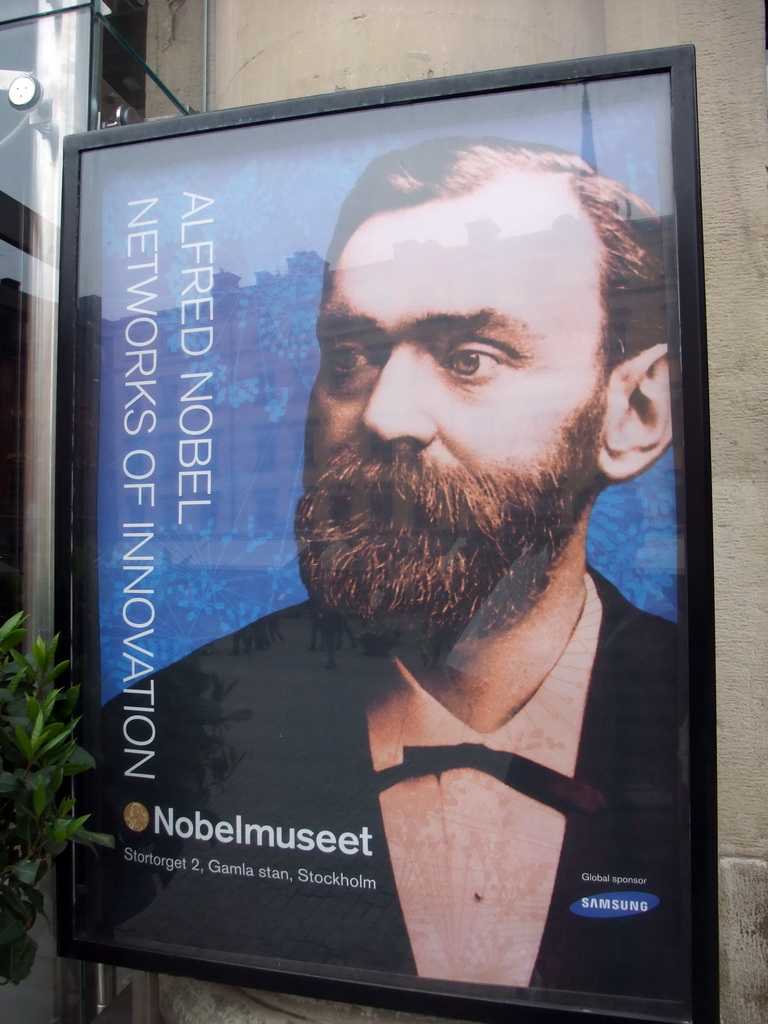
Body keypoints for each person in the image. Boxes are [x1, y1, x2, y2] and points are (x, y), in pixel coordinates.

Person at [100, 138, 685, 1007]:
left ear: (631, 411)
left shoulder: (693, 716)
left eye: (470, 357)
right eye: (350, 357)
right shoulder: (169, 731)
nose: (383, 414)